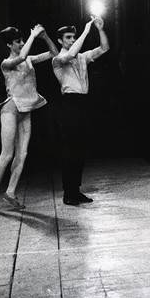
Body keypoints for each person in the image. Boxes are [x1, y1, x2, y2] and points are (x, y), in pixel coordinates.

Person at [0, 24, 58, 212]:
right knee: (7, 154)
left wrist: (44, 37)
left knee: (22, 154)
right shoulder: (6, 63)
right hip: (11, 108)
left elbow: (54, 53)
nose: (21, 44)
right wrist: (32, 36)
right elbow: (20, 57)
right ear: (9, 45)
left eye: (22, 40)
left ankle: (10, 193)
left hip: (26, 108)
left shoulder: (29, 59)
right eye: (17, 41)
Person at [52, 17, 109, 206]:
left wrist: (100, 29)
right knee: (70, 150)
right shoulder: (58, 59)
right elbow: (69, 55)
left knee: (80, 149)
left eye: (73, 37)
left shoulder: (82, 56)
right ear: (60, 40)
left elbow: (104, 49)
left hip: (83, 103)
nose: (71, 40)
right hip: (70, 104)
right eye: (68, 37)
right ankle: (68, 192)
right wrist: (86, 31)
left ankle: (76, 191)